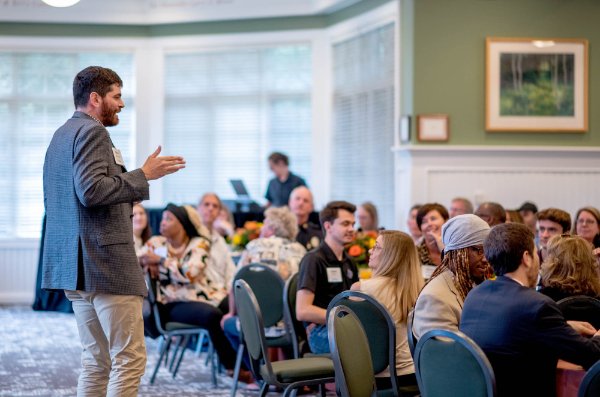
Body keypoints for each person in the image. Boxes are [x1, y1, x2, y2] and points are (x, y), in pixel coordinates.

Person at [42, 66, 185, 396]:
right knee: (129, 359)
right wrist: (143, 175)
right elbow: (91, 191)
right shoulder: (94, 133)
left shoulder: (61, 135)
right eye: (116, 96)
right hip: (105, 266)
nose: (121, 104)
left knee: (95, 360)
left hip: (75, 267)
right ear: (95, 98)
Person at [460, 223, 600, 397]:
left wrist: (564, 327)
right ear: (526, 258)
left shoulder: (474, 295)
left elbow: (515, 335)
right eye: (536, 254)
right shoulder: (536, 305)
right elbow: (591, 355)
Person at [138, 204, 237, 373]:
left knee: (237, 304)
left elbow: (190, 273)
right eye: (163, 218)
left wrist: (160, 261)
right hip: (171, 303)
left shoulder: (199, 244)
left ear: (183, 224)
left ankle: (254, 362)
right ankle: (232, 367)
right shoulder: (156, 243)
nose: (162, 223)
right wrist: (146, 262)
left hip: (207, 296)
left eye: (169, 219)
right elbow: (136, 261)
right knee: (211, 316)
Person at [351, 231, 423, 391]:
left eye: (376, 247)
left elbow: (349, 339)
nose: (370, 251)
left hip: (377, 377)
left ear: (391, 255)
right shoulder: (416, 289)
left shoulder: (361, 289)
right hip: (413, 374)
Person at [412, 214, 491, 339]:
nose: (486, 259)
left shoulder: (475, 284)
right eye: (479, 251)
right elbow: (445, 355)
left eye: (488, 251)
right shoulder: (434, 298)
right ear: (459, 252)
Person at [296, 200, 359, 354]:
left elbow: (355, 300)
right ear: (328, 226)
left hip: (344, 327)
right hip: (320, 331)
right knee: (363, 345)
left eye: (353, 224)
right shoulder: (314, 259)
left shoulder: (349, 261)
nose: (351, 229)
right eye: (345, 224)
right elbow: (302, 310)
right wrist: (341, 319)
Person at [196, 193, 237, 300]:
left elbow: (231, 272)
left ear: (219, 212)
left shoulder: (220, 241)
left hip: (222, 293)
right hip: (202, 294)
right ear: (198, 208)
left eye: (215, 206)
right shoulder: (190, 237)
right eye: (206, 204)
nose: (210, 208)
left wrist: (231, 292)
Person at [539, 234, 600, 302]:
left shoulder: (541, 300)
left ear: (553, 264)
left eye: (549, 256)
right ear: (589, 264)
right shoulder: (597, 295)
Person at [415, 203, 449, 279]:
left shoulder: (457, 249)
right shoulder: (414, 253)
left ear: (446, 222)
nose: (429, 224)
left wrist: (445, 250)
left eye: (433, 219)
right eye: (424, 222)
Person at [288, 186, 323, 251]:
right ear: (290, 202)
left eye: (305, 201)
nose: (301, 203)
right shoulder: (279, 230)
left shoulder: (319, 234)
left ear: (311, 207)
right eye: (297, 199)